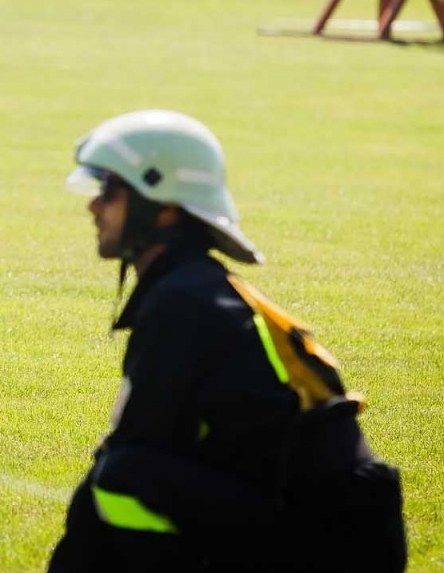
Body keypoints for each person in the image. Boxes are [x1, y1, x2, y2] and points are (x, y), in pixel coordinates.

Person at [49, 110, 407, 573]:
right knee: (125, 474)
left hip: (332, 544)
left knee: (125, 478)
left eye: (110, 191)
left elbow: (124, 458)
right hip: (324, 527)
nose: (94, 206)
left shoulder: (184, 302)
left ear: (165, 209)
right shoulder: (191, 286)